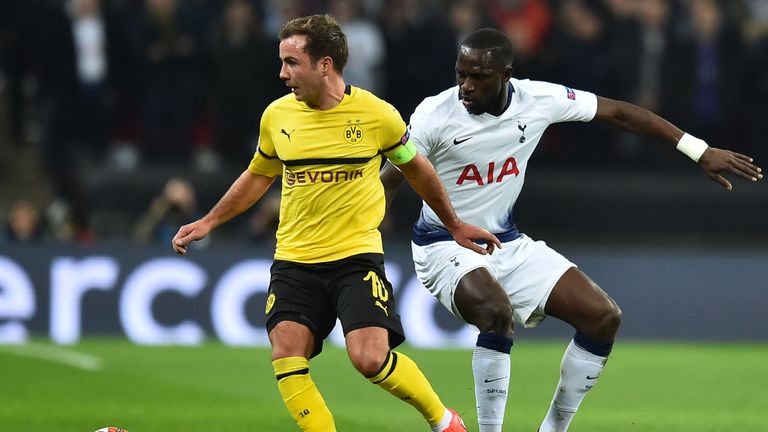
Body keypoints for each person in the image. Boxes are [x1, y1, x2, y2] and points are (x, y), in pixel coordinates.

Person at [380, 28, 763, 432]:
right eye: (461, 74)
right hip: (443, 244)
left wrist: (698, 150)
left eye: (478, 77)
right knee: (495, 312)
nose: (466, 86)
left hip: (505, 243)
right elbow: (391, 179)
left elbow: (619, 112)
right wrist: (369, 251)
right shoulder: (434, 114)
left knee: (602, 317)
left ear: (506, 74)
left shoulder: (537, 100)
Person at [171, 15, 501, 432]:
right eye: (282, 62)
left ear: (325, 65)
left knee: (368, 358)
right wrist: (209, 221)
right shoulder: (277, 117)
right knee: (286, 351)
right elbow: (259, 174)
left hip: (355, 258)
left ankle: (443, 420)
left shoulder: (376, 115)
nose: (282, 73)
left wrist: (453, 224)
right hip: (294, 258)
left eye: (292, 62)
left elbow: (416, 169)